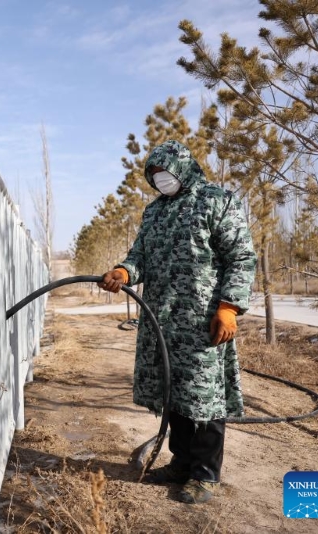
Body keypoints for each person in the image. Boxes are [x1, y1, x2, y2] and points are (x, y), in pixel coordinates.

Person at [98, 140, 256, 504]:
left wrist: (229, 307)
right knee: (175, 393)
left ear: (182, 168)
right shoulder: (154, 213)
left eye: (165, 173)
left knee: (205, 396)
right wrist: (124, 270)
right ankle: (181, 464)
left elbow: (241, 257)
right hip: (162, 321)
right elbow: (140, 256)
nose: (160, 180)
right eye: (153, 175)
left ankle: (204, 475)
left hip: (203, 324)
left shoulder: (217, 201)